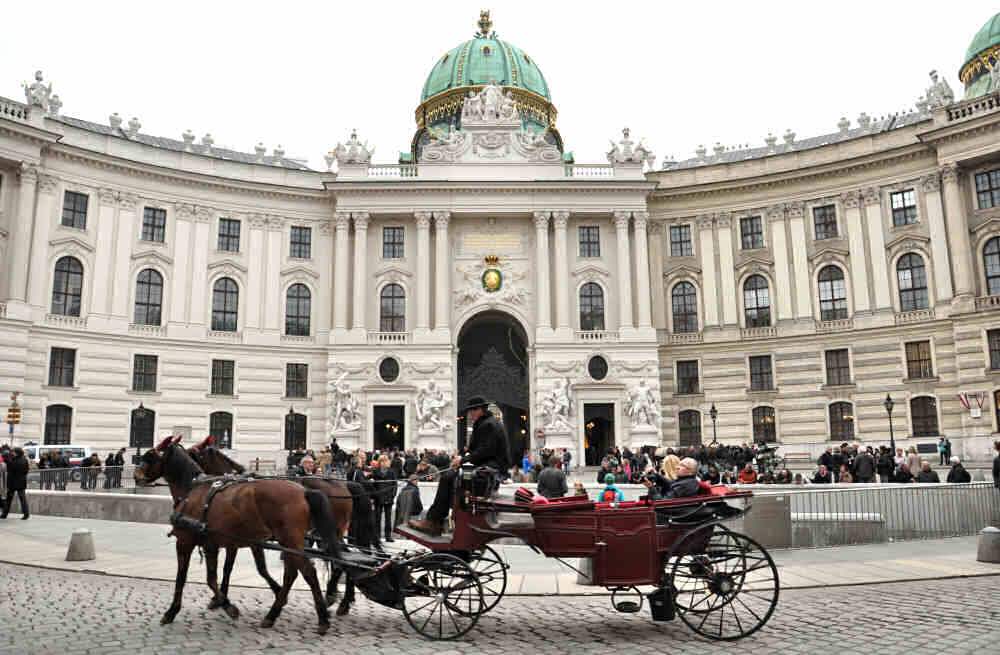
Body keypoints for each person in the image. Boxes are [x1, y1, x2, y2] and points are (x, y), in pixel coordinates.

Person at [409, 395, 510, 536]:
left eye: (471, 411)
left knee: (447, 477)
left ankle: (434, 521)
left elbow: (486, 450)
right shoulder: (487, 422)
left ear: (479, 410)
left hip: (489, 469)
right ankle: (441, 517)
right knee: (449, 476)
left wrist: (462, 460)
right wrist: (462, 458)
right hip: (489, 468)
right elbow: (481, 450)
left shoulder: (488, 424)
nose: (469, 414)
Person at [372, 455, 397, 542]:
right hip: (378, 498)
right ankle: (377, 536)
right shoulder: (375, 471)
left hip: (388, 498)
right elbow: (373, 485)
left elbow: (395, 484)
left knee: (388, 518)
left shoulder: (391, 471)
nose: (383, 463)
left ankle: (388, 536)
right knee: (377, 518)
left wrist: (393, 495)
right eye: (381, 461)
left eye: (385, 461)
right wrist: (375, 495)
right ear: (379, 462)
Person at [1, 447, 29, 520]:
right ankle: (26, 514)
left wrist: (7, 459)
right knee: (23, 499)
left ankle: (4, 514)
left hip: (13, 483)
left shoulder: (14, 460)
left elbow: (10, 469)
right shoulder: (24, 460)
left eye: (13, 452)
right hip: (21, 482)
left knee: (9, 499)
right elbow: (26, 470)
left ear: (16, 453)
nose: (12, 453)